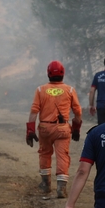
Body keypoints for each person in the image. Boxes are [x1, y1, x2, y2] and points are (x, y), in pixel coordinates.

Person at [26, 60, 83, 198]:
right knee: (62, 155)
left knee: (44, 153)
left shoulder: (40, 90)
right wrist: (76, 128)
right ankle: (61, 189)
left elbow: (34, 111)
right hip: (63, 129)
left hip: (45, 128)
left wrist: (30, 130)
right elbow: (78, 112)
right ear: (63, 74)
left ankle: (46, 185)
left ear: (48, 74)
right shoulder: (69, 90)